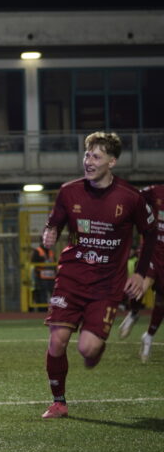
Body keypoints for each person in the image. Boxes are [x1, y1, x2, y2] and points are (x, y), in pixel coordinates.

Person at [40, 132, 156, 419]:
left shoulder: (131, 198)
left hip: (107, 284)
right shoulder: (69, 191)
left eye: (96, 157)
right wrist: (50, 232)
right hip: (72, 276)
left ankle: (95, 349)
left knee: (87, 349)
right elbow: (54, 221)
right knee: (57, 340)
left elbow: (151, 235)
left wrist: (141, 274)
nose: (88, 162)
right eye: (87, 155)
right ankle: (59, 402)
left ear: (112, 161)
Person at [136, 184, 164, 362]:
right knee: (144, 284)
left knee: (161, 301)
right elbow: (135, 197)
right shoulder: (156, 191)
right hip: (154, 250)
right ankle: (131, 312)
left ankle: (149, 336)